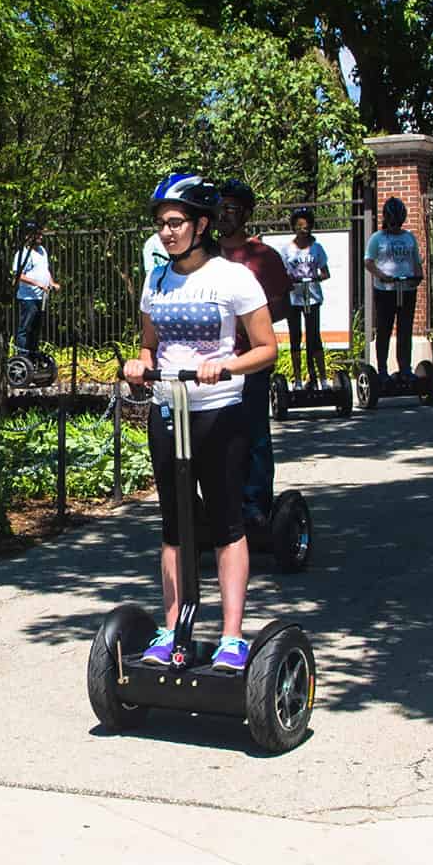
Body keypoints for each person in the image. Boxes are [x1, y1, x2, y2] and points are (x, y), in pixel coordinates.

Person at [123, 174, 277, 672]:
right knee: (174, 524)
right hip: (168, 408)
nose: (167, 233)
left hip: (219, 411)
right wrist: (139, 364)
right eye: (162, 225)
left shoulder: (232, 278)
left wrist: (226, 365)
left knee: (228, 524)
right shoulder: (157, 279)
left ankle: (232, 637)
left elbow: (266, 349)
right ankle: (172, 629)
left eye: (176, 223)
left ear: (201, 224)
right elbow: (150, 344)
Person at [216, 179, 291, 526]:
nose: (224, 215)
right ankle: (217, 508)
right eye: (220, 208)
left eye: (231, 209)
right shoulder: (204, 256)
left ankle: (255, 507)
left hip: (249, 362)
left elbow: (281, 307)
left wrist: (248, 320)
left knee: (254, 436)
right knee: (215, 441)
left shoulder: (263, 257)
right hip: (209, 366)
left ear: (246, 214)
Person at [366, 196, 425, 375]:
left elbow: (416, 261)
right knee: (384, 330)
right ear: (386, 219)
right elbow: (368, 262)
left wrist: (418, 275)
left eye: (397, 221)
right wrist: (382, 276)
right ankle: (382, 370)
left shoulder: (409, 238)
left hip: (407, 289)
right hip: (385, 290)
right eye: (391, 221)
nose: (393, 225)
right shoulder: (377, 238)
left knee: (405, 331)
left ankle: (405, 369)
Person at [281, 207, 331, 386]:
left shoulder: (317, 248)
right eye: (300, 225)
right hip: (294, 299)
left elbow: (326, 273)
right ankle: (297, 380)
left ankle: (321, 378)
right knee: (295, 338)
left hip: (313, 298)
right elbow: (282, 275)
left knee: (314, 338)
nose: (304, 229)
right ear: (294, 227)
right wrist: (290, 280)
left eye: (307, 225)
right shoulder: (286, 250)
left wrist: (316, 277)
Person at [13, 221, 57, 361]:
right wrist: (37, 284)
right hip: (28, 298)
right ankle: (23, 358)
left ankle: (33, 356)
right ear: (29, 236)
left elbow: (45, 270)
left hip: (41, 297)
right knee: (25, 329)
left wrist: (52, 283)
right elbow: (18, 275)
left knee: (36, 329)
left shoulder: (42, 251)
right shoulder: (22, 254)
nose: (40, 237)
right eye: (37, 235)